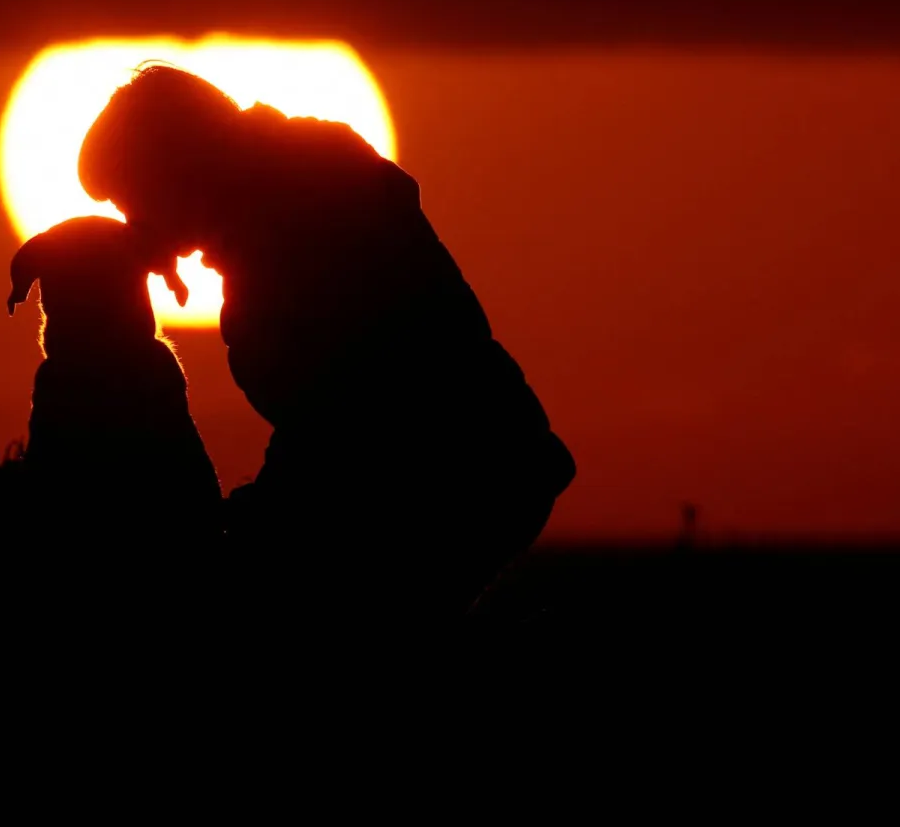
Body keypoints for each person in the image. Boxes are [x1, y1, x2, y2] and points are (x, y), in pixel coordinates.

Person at [78, 63, 575, 618]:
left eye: (131, 203)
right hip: (478, 465)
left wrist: (252, 519)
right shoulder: (288, 188)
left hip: (454, 479)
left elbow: (343, 421)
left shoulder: (282, 233)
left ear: (168, 171)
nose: (135, 225)